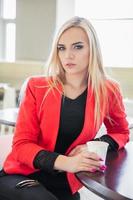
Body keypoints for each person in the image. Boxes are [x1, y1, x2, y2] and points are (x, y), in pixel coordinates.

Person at [0, 16, 129, 200]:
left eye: (77, 46)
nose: (68, 55)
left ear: (92, 49)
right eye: (62, 48)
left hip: (65, 184)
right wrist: (68, 163)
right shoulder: (37, 86)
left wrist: (91, 146)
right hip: (22, 176)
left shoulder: (108, 90)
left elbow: (121, 131)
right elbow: (21, 146)